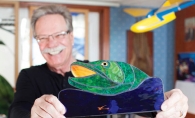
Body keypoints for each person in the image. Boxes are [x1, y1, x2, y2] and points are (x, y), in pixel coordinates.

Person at [9, 5, 188, 118]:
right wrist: (33, 113)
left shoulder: (99, 72)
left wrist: (168, 103)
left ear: (71, 37)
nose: (51, 43)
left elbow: (141, 102)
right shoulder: (29, 76)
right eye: (43, 37)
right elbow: (16, 111)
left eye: (59, 35)